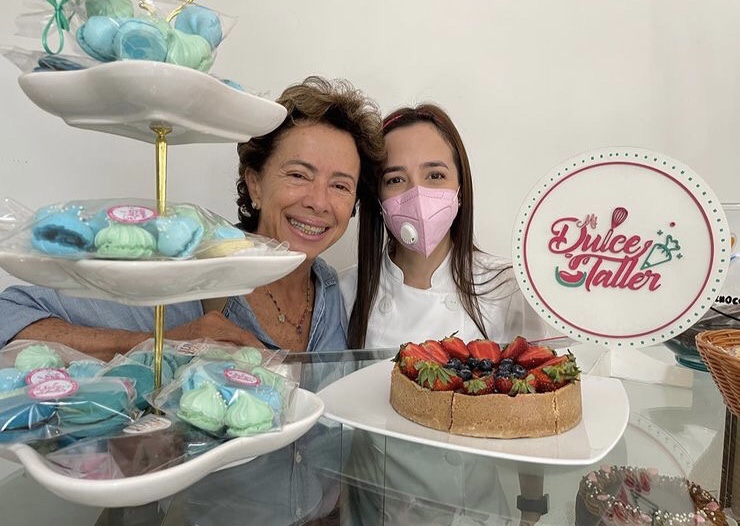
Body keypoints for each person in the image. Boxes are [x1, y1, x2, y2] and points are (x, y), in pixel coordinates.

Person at [0, 76, 385, 362]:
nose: (318, 202)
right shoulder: (190, 268)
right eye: (299, 175)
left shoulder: (333, 292)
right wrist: (166, 343)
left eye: (340, 185)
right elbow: (10, 313)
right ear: (255, 183)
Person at [339, 104, 556, 526]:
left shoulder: (506, 286)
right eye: (395, 179)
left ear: (460, 186)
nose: (417, 194)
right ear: (377, 197)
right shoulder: (347, 291)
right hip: (372, 511)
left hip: (473, 512)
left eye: (435, 175)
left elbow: (533, 412)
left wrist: (531, 509)